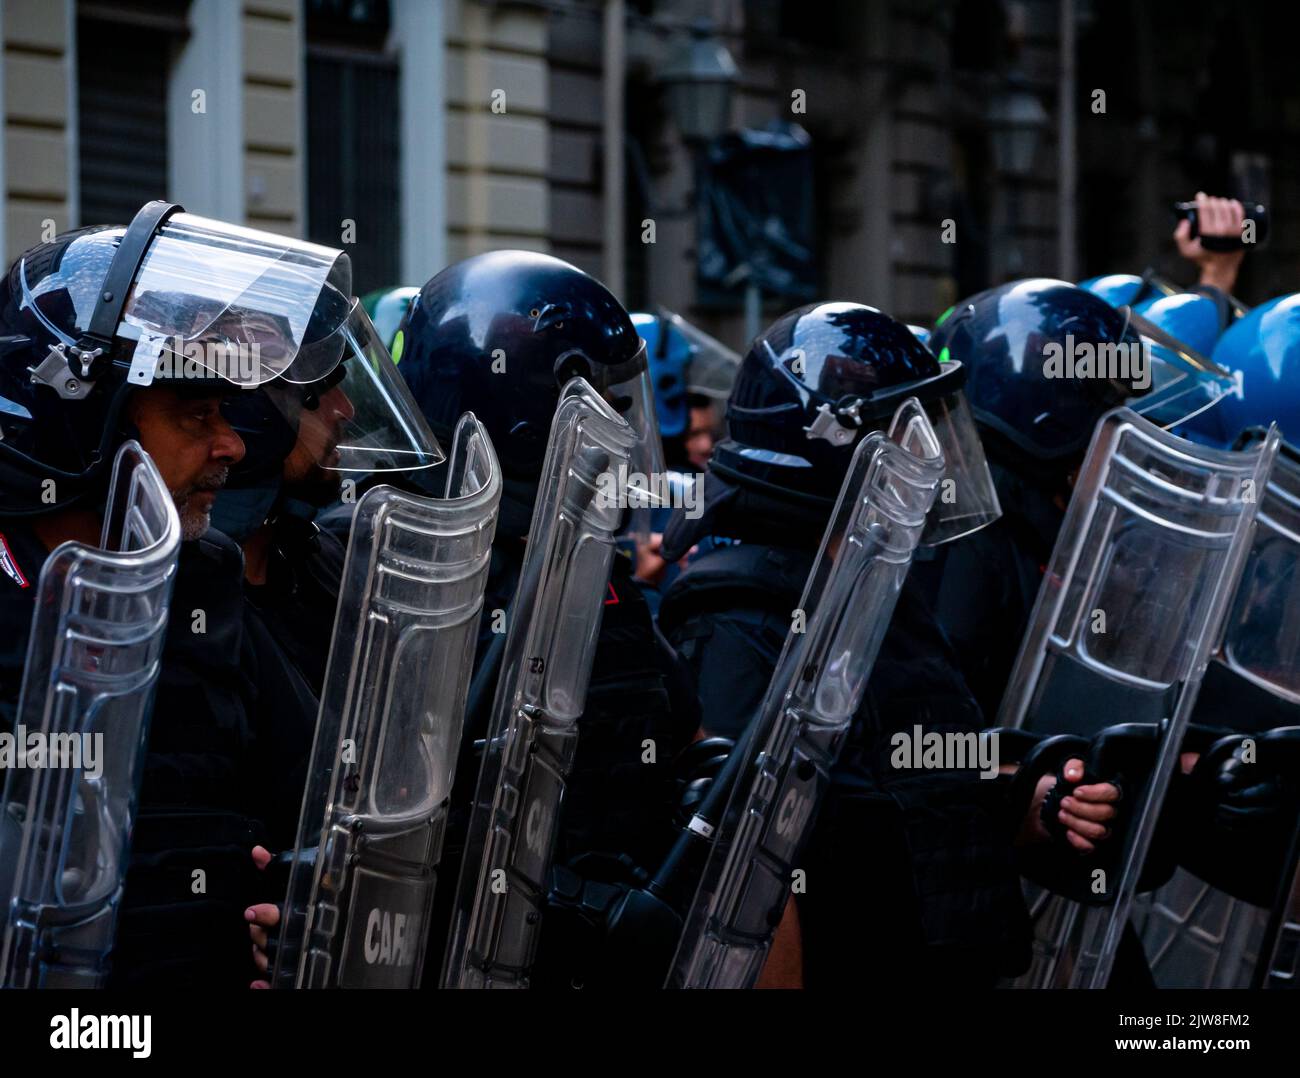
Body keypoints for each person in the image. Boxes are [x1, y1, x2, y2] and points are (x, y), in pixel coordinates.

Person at [656, 301, 1121, 988]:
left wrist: (1030, 807)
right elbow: (742, 890)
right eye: (909, 435)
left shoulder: (877, 588)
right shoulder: (738, 622)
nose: (934, 460)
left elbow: (912, 798)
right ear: (836, 454)